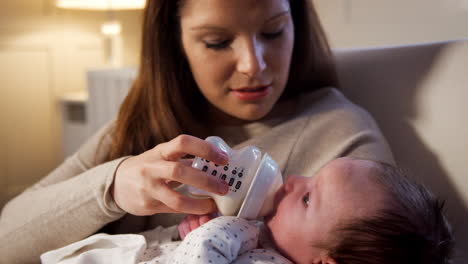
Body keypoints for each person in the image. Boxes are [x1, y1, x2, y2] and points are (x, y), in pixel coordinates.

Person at [0, 0, 396, 263]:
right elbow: (7, 239)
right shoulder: (139, 127)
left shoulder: (343, 141)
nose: (252, 65)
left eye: (273, 32)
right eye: (218, 42)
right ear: (176, 45)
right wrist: (114, 186)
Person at [40, 158, 454, 264]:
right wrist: (190, 236)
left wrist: (216, 232)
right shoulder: (263, 236)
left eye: (307, 198)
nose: (292, 181)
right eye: (309, 178)